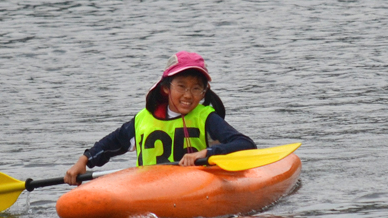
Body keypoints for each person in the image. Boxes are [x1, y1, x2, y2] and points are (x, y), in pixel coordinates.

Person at [64, 51, 256, 184]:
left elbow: (245, 144)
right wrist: (83, 161)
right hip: (150, 186)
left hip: (194, 185)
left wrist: (204, 153)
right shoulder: (143, 119)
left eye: (196, 88)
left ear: (204, 92)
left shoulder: (206, 118)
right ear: (166, 88)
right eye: (181, 86)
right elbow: (110, 144)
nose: (188, 95)